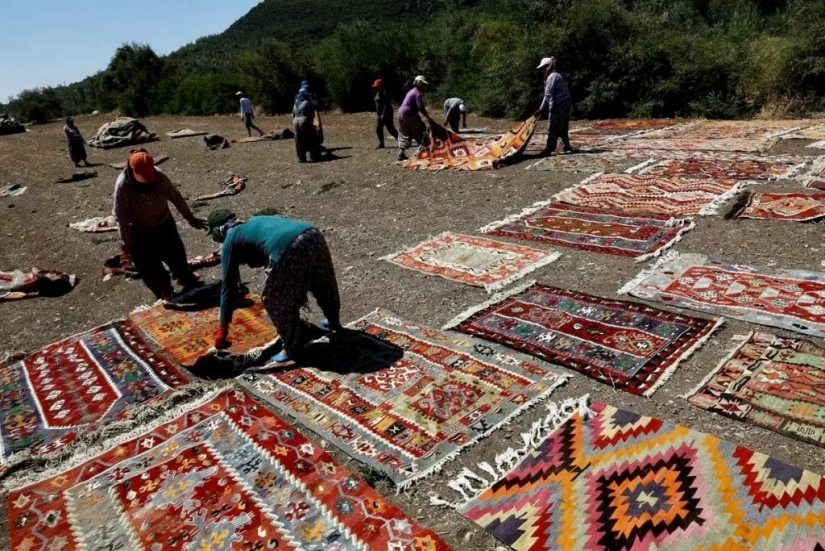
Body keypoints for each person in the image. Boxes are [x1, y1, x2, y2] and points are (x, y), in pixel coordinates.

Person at [207, 209, 343, 363]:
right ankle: (333, 319)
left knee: (276, 299)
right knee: (322, 280)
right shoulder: (254, 220)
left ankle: (292, 346)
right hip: (312, 234)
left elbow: (227, 288)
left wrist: (222, 329)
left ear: (219, 230)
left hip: (289, 248)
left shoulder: (230, 240)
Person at [112, 151, 206, 300]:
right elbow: (120, 215)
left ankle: (185, 278)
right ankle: (164, 291)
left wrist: (190, 218)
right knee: (149, 265)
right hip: (139, 228)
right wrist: (127, 242)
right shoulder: (124, 184)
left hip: (164, 222)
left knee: (176, 254)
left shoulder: (159, 177)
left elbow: (175, 197)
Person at [534, 57, 573, 155]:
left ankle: (549, 148)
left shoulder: (552, 77)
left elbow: (548, 95)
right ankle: (567, 146)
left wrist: (541, 108)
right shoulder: (559, 74)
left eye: (544, 68)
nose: (542, 71)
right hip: (565, 102)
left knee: (553, 126)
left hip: (559, 103)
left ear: (548, 66)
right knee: (563, 125)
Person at [397, 75, 434, 161]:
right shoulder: (418, 93)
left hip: (400, 114)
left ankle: (401, 154)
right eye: (423, 85)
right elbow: (420, 107)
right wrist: (428, 117)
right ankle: (422, 153)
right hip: (409, 115)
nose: (424, 87)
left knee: (405, 133)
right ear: (420, 84)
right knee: (422, 132)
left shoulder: (412, 91)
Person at [293, 84, 323, 162]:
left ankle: (301, 157)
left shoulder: (295, 103)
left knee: (299, 140)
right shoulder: (307, 103)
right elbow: (313, 115)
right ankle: (314, 156)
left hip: (295, 121)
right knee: (312, 137)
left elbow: (293, 114)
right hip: (304, 120)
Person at [372, 79, 398, 149]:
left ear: (381, 86)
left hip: (387, 113)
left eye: (377, 86)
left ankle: (401, 141)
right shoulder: (376, 92)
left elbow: (386, 104)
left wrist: (383, 114)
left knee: (390, 128)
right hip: (379, 114)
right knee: (378, 128)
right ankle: (381, 143)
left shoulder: (385, 93)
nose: (375, 87)